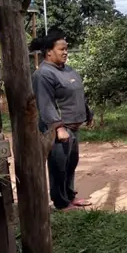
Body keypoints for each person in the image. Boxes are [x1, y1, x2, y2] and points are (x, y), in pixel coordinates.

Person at [30, 29, 94, 212]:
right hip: (59, 129)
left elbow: (77, 94)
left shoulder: (68, 70)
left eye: (66, 49)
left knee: (70, 163)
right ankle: (60, 203)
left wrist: (88, 113)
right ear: (49, 51)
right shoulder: (43, 74)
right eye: (61, 49)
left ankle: (69, 196)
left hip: (73, 127)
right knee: (58, 166)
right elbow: (45, 103)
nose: (65, 52)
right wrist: (58, 128)